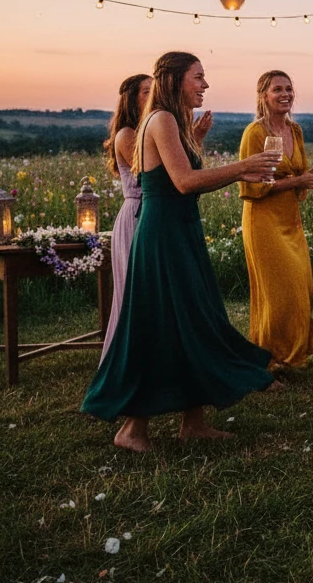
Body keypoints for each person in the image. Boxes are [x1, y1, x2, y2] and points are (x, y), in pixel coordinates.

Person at [82, 51, 281, 453]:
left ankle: (194, 421)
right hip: (162, 235)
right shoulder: (162, 119)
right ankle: (132, 430)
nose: (205, 85)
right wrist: (244, 167)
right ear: (173, 79)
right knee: (157, 325)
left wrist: (216, 153)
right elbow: (185, 181)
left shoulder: (171, 121)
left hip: (180, 228)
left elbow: (185, 176)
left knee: (192, 318)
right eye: (198, 77)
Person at [238, 70, 313, 373]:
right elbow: (252, 186)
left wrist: (309, 181)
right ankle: (264, 360)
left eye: (289, 89)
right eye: (277, 89)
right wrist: (299, 181)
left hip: (290, 220)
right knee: (277, 293)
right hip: (263, 221)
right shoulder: (255, 133)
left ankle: (286, 353)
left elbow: (297, 174)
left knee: (303, 288)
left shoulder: (296, 131)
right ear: (263, 95)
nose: (285, 94)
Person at [100, 72, 155, 362]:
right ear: (132, 101)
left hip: (153, 214)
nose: (153, 96)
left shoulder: (151, 130)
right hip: (136, 215)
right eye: (147, 92)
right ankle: (124, 363)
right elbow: (152, 174)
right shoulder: (127, 135)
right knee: (135, 293)